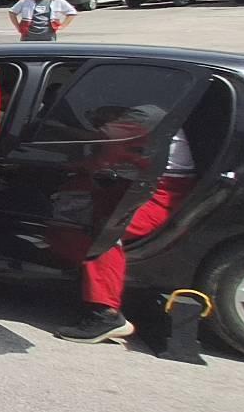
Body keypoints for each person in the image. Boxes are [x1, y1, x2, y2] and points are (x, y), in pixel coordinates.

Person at [55, 123, 197, 344]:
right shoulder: (157, 105)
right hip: (142, 182)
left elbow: (105, 140)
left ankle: (106, 314)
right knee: (76, 207)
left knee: (108, 232)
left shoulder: (148, 111)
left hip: (162, 192)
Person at [10, 0, 76, 42]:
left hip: (48, 36)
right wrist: (18, 27)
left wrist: (62, 26)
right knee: (28, 53)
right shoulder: (25, 0)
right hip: (28, 36)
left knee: (47, 53)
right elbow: (12, 12)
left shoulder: (56, 1)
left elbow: (71, 12)